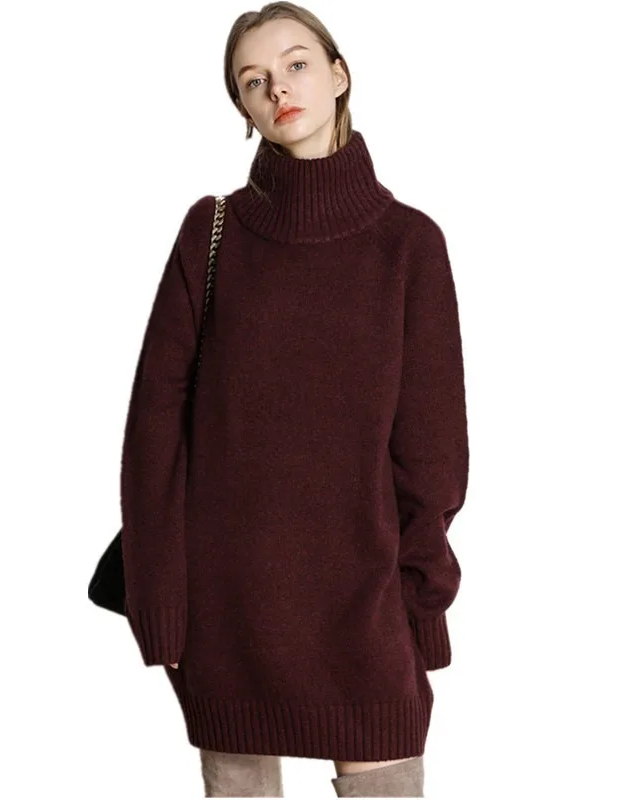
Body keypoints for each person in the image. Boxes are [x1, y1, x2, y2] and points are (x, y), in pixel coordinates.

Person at [119, 2, 469, 796]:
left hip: (367, 605)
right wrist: (162, 601)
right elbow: (154, 435)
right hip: (226, 609)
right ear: (243, 111)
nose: (279, 88)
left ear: (340, 75)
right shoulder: (212, 233)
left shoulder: (409, 245)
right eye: (254, 81)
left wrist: (422, 606)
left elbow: (433, 453)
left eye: (297, 64)